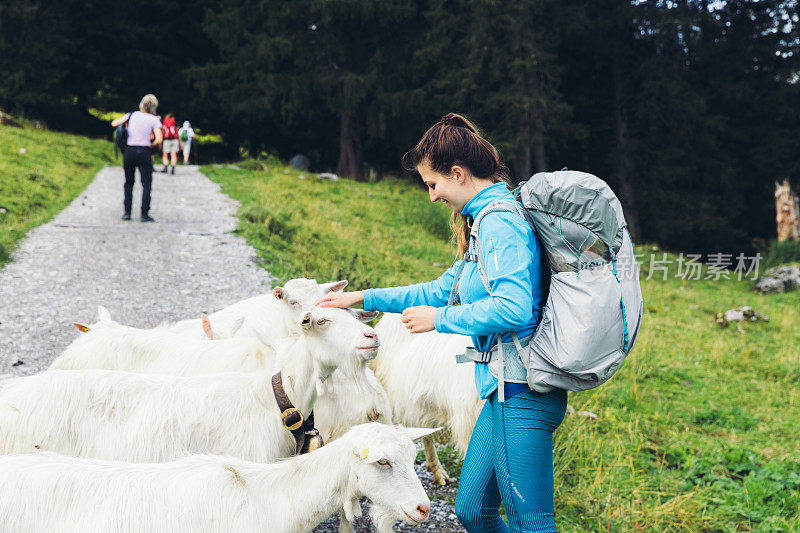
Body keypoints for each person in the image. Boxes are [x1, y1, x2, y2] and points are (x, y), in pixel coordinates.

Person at [317, 113, 566, 533]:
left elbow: (515, 307)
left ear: (457, 173)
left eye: (433, 184)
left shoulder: (500, 223)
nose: (431, 196)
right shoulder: (483, 221)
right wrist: (362, 297)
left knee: (533, 522)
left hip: (524, 391)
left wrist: (441, 320)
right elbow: (439, 289)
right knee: (471, 509)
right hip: (499, 389)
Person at [110, 94, 163, 222]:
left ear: (142, 104)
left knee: (129, 182)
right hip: (144, 151)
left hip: (129, 151)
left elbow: (114, 123)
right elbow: (159, 138)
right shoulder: (154, 119)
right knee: (146, 183)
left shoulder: (131, 115)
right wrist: (152, 144)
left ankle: (127, 212)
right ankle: (144, 214)